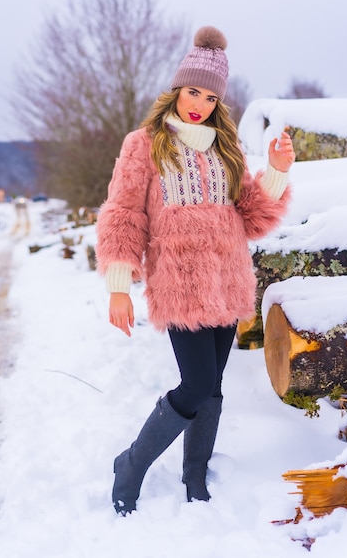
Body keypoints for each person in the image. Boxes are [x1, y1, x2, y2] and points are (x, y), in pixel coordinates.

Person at [95, 26, 295, 516]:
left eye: (209, 96)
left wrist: (277, 172)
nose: (198, 103)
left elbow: (253, 217)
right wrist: (120, 286)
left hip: (227, 284)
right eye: (191, 91)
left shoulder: (224, 149)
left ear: (217, 101)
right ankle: (133, 463)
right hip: (178, 286)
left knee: (213, 387)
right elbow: (123, 213)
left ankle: (195, 474)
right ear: (176, 89)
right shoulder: (144, 145)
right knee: (196, 384)